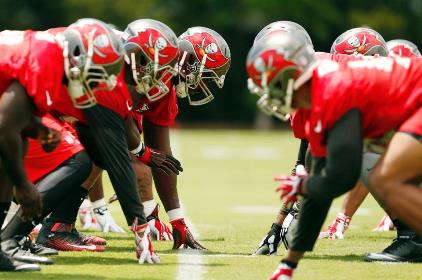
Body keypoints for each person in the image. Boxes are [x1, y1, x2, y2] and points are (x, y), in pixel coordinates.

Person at [246, 31, 422, 279]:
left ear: (290, 75)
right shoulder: (318, 85)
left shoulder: (330, 88)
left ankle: (415, 241)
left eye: (270, 83)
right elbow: (322, 183)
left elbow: (343, 175)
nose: (269, 93)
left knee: (387, 178)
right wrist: (289, 264)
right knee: (387, 171)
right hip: (412, 105)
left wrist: (306, 185)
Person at [120, 21, 231, 249]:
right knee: (97, 150)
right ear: (190, 61)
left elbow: (163, 156)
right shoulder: (149, 63)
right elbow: (111, 121)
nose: (202, 85)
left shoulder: (164, 88)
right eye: (206, 76)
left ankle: (59, 223)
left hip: (90, 115)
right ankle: (59, 224)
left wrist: (177, 220)